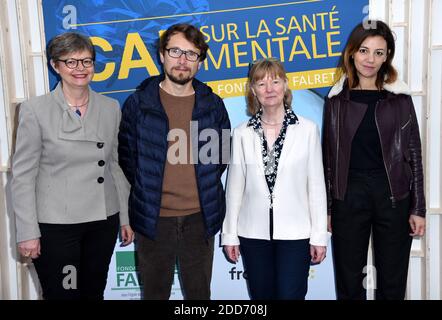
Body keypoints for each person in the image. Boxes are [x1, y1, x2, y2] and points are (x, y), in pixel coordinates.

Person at [11, 32, 134, 300]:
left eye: (86, 61)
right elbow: (22, 176)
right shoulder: (35, 110)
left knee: (93, 293)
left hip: (102, 221)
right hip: (57, 227)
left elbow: (115, 166)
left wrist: (125, 217)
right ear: (55, 66)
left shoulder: (111, 107)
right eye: (71, 62)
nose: (80, 69)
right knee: (65, 294)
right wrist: (28, 232)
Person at [118, 23, 231, 300]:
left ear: (200, 62)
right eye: (176, 51)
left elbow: (221, 159)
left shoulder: (212, 105)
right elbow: (127, 158)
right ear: (162, 55)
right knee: (155, 295)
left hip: (199, 219)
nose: (182, 60)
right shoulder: (138, 104)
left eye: (191, 54)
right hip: (154, 219)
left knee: (199, 297)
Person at [323, 20, 426, 300]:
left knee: (393, 282)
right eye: (364, 50)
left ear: (387, 56)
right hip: (349, 195)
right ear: (352, 53)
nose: (370, 59)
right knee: (348, 281)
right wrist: (329, 207)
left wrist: (418, 207)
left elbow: (413, 153)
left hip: (392, 195)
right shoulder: (335, 101)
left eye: (379, 53)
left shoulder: (400, 99)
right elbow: (329, 158)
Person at [221, 58, 328, 300]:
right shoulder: (241, 133)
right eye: (261, 83)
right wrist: (230, 234)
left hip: (296, 234)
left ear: (285, 86)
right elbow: (234, 188)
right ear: (253, 91)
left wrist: (319, 236)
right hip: (253, 234)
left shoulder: (308, 129)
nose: (269, 89)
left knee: (291, 295)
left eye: (275, 81)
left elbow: (317, 187)